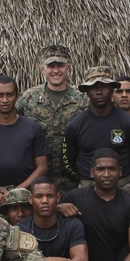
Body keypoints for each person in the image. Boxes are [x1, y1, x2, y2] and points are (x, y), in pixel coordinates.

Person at [64, 66, 130, 190]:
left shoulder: (129, 123)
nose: (99, 92)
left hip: (122, 189)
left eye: (104, 87)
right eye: (94, 88)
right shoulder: (75, 125)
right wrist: (85, 179)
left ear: (111, 90)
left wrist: (129, 181)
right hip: (87, 189)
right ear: (88, 92)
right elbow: (67, 163)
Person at [17, 44, 87, 195]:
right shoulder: (28, 98)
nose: (56, 70)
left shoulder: (82, 99)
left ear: (68, 67)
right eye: (51, 66)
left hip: (74, 181)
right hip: (37, 181)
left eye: (60, 65)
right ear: (43, 69)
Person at [0, 75, 51, 203]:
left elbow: (42, 167)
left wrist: (17, 192)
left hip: (26, 193)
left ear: (17, 96)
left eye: (9, 95)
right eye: (0, 95)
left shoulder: (33, 128)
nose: (5, 100)